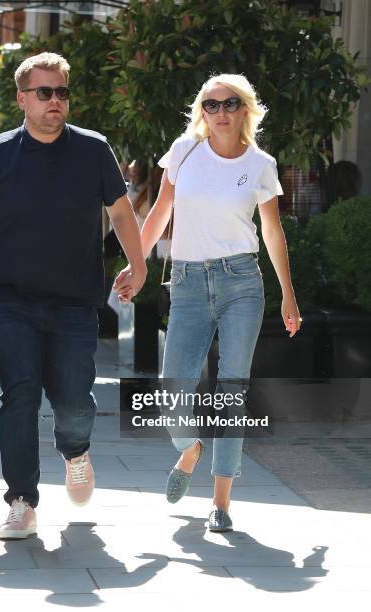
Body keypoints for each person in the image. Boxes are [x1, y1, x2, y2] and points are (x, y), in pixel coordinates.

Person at [0, 51, 146, 540]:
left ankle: (75, 450)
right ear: (22, 99)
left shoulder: (93, 149)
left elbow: (122, 213)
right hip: (10, 297)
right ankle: (21, 500)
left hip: (75, 300)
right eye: (45, 93)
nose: (55, 101)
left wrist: (139, 262)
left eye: (62, 92)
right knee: (19, 398)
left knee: (75, 402)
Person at [123, 73, 301, 532]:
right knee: (171, 391)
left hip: (241, 281)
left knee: (231, 391)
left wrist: (288, 295)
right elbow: (161, 211)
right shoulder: (184, 151)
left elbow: (272, 232)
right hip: (186, 282)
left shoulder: (261, 164)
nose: (220, 112)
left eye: (229, 104)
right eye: (211, 104)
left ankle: (220, 503)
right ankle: (190, 448)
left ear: (245, 110)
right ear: (202, 111)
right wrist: (138, 264)